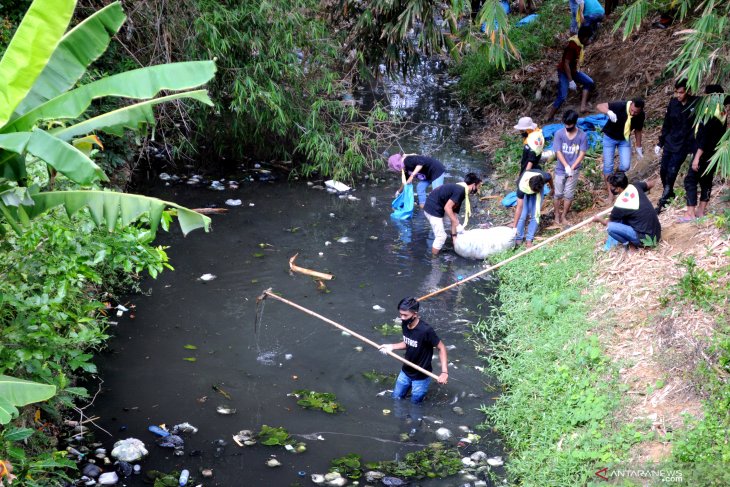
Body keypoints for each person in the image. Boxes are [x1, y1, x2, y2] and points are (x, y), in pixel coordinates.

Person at [379, 297, 448, 404]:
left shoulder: (426, 330)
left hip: (421, 377)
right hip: (406, 371)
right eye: (400, 314)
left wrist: (444, 372)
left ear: (415, 314)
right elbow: (408, 343)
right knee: (396, 397)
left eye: (405, 315)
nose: (402, 318)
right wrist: (391, 346)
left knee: (415, 404)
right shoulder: (405, 324)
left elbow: (441, 348)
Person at [682, 85, 729, 221]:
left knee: (690, 180)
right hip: (715, 153)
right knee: (706, 180)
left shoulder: (710, 113)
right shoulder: (721, 112)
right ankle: (701, 212)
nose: (704, 98)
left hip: (703, 152)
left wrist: (696, 157)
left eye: (707, 95)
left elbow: (704, 138)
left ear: (713, 97)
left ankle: (690, 213)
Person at [654, 79, 698, 213]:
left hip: (684, 144)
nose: (678, 95)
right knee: (663, 170)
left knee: (672, 171)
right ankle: (669, 192)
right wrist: (660, 143)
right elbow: (667, 124)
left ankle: (664, 198)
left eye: (681, 92)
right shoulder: (673, 103)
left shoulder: (696, 103)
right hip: (670, 142)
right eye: (676, 92)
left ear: (688, 91)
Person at [592, 171, 661, 248]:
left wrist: (599, 219)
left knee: (611, 228)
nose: (610, 188)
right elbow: (650, 184)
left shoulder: (620, 205)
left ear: (617, 189)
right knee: (623, 218)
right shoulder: (635, 186)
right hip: (657, 234)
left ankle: (628, 244)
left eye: (611, 186)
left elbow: (608, 223)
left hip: (645, 240)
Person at [597, 98, 645, 202]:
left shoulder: (640, 115)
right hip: (609, 138)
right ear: (631, 104)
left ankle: (616, 177)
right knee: (608, 166)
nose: (633, 113)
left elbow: (638, 130)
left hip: (624, 139)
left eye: (636, 112)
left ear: (640, 110)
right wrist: (608, 112)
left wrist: (638, 147)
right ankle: (611, 194)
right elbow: (600, 105)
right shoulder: (620, 106)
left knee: (626, 165)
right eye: (632, 110)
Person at [423, 173, 482, 256]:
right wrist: (456, 222)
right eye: (478, 187)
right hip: (432, 209)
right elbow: (447, 208)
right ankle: (434, 260)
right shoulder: (460, 190)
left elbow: (453, 214)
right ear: (473, 185)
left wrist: (454, 237)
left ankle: (452, 239)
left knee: (453, 221)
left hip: (436, 206)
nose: (478, 190)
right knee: (441, 236)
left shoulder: (462, 189)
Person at [546, 26, 594, 122]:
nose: (589, 40)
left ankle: (583, 107)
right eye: (588, 38)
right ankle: (549, 116)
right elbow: (566, 63)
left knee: (589, 82)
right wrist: (571, 80)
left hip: (573, 70)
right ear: (584, 38)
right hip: (564, 71)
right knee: (563, 95)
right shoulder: (572, 46)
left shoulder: (579, 42)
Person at [553, 110, 588, 224]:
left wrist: (572, 167)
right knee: (558, 193)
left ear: (575, 122)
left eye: (570, 124)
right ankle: (557, 214)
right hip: (560, 169)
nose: (567, 126)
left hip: (574, 169)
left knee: (568, 194)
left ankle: (564, 216)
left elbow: (582, 153)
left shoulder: (582, 135)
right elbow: (558, 151)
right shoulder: (559, 134)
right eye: (566, 124)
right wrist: (566, 166)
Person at [510, 117, 545, 230]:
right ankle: (525, 221)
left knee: (522, 203)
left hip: (529, 173)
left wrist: (523, 176)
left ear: (528, 129)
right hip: (534, 171)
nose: (520, 132)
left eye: (522, 130)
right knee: (529, 201)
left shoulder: (531, 144)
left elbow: (530, 161)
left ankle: (517, 225)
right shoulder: (535, 137)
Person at [515, 168, 554, 247]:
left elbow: (549, 177)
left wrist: (553, 188)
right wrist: (514, 227)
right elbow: (519, 208)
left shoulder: (543, 178)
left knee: (535, 214)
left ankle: (529, 239)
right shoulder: (521, 186)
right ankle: (518, 237)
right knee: (523, 214)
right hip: (526, 189)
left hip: (537, 190)